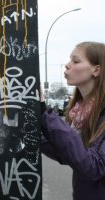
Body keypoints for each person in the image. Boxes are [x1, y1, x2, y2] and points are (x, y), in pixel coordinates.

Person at [40, 41, 105, 200]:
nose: (67, 66)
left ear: (96, 70)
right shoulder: (79, 112)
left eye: (76, 61)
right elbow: (70, 155)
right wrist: (35, 135)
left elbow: (94, 166)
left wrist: (45, 115)